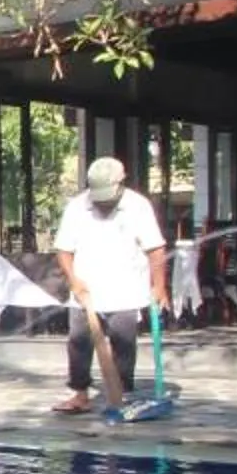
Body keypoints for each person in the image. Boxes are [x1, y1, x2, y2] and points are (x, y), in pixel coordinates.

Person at [53, 156, 168, 415]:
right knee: (79, 342)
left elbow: (156, 249)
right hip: (85, 289)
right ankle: (79, 393)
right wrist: (74, 281)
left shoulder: (138, 206)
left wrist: (159, 286)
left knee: (123, 342)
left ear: (121, 183)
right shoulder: (77, 207)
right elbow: (64, 249)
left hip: (126, 288)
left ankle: (121, 394)